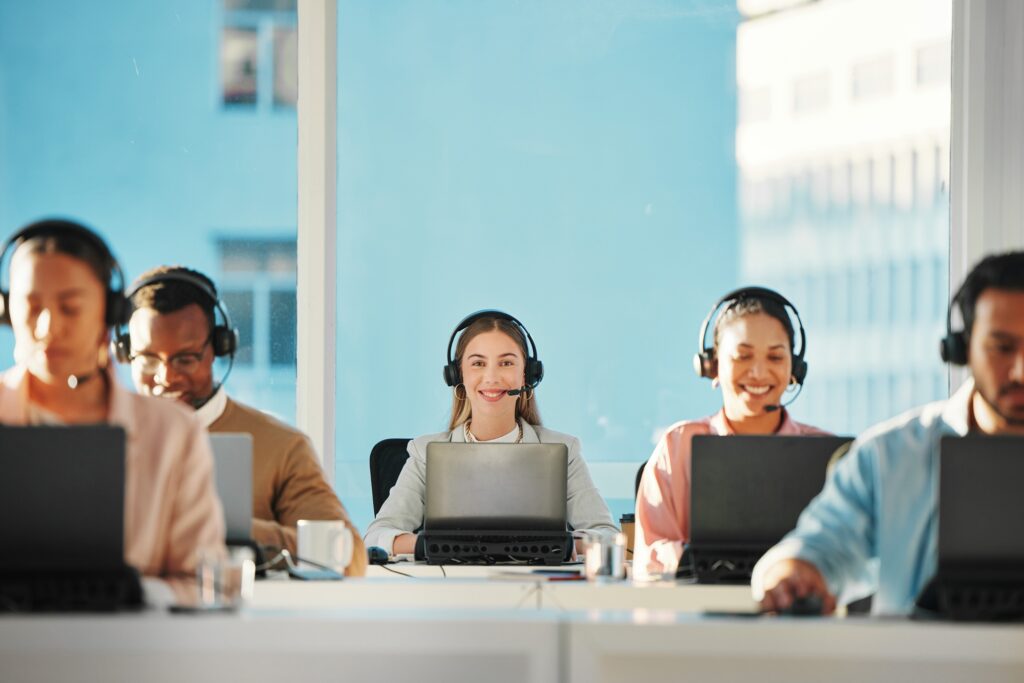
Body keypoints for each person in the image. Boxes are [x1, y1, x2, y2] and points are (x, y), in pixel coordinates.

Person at [753, 251, 1024, 616]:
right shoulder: (891, 454)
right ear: (962, 349)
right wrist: (795, 575)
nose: (1020, 371)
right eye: (1002, 348)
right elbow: (819, 546)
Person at [0, 219, 224, 578]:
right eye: (31, 306)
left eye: (70, 308)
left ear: (108, 314)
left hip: (131, 632)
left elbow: (199, 583)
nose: (47, 329)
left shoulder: (173, 434)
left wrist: (140, 601)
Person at [121, 265, 366, 576]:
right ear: (125, 353)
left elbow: (350, 556)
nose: (166, 376)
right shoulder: (98, 439)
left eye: (186, 358)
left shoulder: (281, 446)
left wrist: (225, 529)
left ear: (220, 349)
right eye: (148, 358)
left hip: (232, 621)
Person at [364, 310, 617, 555]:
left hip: (533, 590)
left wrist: (567, 544)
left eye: (506, 363)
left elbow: (607, 536)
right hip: (451, 591)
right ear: (457, 375)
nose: (491, 376)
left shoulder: (564, 449)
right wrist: (430, 545)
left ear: (526, 374)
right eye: (478, 363)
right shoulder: (424, 453)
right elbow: (376, 537)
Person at [634, 287, 828, 580]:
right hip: (699, 615)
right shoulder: (677, 446)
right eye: (743, 356)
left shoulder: (827, 454)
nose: (759, 372)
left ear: (794, 369)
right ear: (712, 366)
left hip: (798, 616)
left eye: (775, 357)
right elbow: (651, 558)